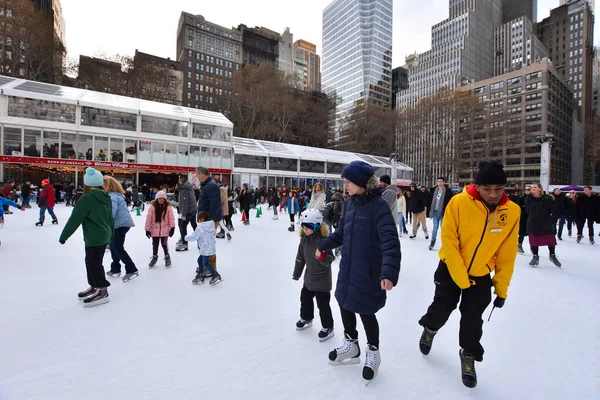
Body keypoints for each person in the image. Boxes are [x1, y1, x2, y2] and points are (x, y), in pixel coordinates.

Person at [417, 161, 519, 388]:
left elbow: (507, 252)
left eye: (499, 189)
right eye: (487, 189)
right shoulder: (459, 203)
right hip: (450, 268)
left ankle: (469, 355)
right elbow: (450, 243)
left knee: (473, 319)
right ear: (477, 186)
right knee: (443, 306)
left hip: (481, 274)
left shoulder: (512, 211)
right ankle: (430, 328)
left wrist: (501, 289)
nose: (493, 194)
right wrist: (462, 280)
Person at [316, 160, 401, 382]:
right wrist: (323, 244)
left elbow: (390, 242)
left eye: (348, 182)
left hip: (368, 270)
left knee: (365, 311)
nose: (345, 186)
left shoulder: (378, 206)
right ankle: (351, 345)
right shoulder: (351, 203)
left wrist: (389, 272)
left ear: (362, 183)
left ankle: (373, 351)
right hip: (348, 267)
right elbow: (342, 233)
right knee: (344, 303)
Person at [59, 168, 114, 307]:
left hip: (94, 236)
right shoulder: (105, 196)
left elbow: (75, 219)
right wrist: (111, 233)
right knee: (92, 261)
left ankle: (102, 289)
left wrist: (64, 236)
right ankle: (95, 285)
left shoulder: (87, 198)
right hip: (103, 234)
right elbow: (110, 218)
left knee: (93, 263)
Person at [293, 209, 335, 342]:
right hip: (309, 278)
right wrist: (297, 273)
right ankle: (307, 317)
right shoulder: (304, 241)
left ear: (317, 226)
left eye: (308, 228)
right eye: (304, 227)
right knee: (305, 298)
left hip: (322, 279)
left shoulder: (324, 241)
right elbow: (300, 258)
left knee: (323, 304)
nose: (305, 230)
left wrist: (322, 257)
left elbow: (330, 259)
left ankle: (328, 327)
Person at [103, 176, 139, 282]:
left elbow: (111, 213)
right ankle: (115, 268)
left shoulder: (112, 197)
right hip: (120, 224)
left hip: (120, 224)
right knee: (114, 247)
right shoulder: (115, 195)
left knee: (117, 247)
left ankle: (131, 268)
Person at [525, 183, 561, 267]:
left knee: (550, 239)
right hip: (533, 221)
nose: (533, 189)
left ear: (540, 188)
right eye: (532, 187)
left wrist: (551, 218)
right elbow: (528, 210)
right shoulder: (528, 199)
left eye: (535, 187)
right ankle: (535, 256)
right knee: (534, 240)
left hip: (545, 221)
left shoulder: (547, 198)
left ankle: (552, 255)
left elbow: (552, 209)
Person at [196, 166, 223, 275]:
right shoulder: (207, 185)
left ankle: (211, 267)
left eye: (197, 174)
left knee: (208, 243)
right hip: (205, 219)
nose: (196, 176)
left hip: (209, 220)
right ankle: (205, 264)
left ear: (202, 174)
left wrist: (209, 221)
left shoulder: (210, 186)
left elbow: (214, 204)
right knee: (205, 243)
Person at [186, 211, 223, 286]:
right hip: (210, 247)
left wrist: (185, 237)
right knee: (199, 260)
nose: (198, 221)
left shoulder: (200, 227)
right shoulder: (211, 225)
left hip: (204, 248)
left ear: (202, 219)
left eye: (198, 219)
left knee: (205, 263)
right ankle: (201, 273)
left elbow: (194, 237)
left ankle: (216, 275)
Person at [145, 190, 176, 268]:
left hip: (165, 230)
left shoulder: (168, 208)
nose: (161, 200)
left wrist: (172, 228)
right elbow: (149, 219)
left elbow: (171, 218)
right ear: (157, 199)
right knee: (155, 244)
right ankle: (154, 257)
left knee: (164, 244)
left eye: (163, 198)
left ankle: (167, 256)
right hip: (154, 229)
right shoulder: (152, 208)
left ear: (165, 199)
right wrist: (147, 230)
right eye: (159, 198)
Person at [428, 177, 453, 250]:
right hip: (435, 212)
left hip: (443, 212)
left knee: (443, 229)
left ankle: (445, 244)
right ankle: (432, 242)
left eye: (441, 181)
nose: (439, 183)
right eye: (438, 181)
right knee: (435, 228)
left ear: (444, 182)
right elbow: (430, 200)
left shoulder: (448, 191)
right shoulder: (434, 191)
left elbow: (451, 202)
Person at [175, 175, 198, 252]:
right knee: (194, 225)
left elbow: (185, 202)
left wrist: (184, 214)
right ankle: (201, 241)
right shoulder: (189, 186)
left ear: (181, 180)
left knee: (182, 226)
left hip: (188, 211)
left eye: (179, 179)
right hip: (193, 209)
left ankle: (184, 243)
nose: (178, 180)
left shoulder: (184, 189)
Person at [517, 186, 531, 254]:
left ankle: (533, 247)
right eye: (526, 189)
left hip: (531, 216)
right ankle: (519, 244)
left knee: (531, 232)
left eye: (528, 189)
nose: (527, 190)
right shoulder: (522, 197)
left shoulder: (533, 198)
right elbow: (518, 206)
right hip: (523, 216)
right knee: (522, 231)